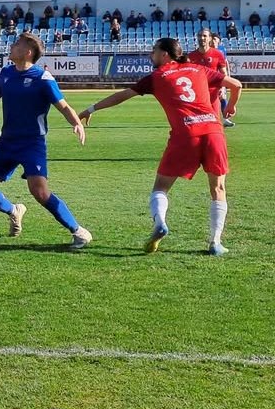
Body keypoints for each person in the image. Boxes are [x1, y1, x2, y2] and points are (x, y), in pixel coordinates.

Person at [77, 37, 242, 256]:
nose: (150, 55)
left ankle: (160, 222)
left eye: (154, 51)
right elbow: (236, 84)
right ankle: (215, 243)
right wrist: (230, 106)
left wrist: (91, 109)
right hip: (213, 132)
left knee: (161, 188)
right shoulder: (199, 69)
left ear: (165, 54)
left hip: (185, 135)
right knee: (218, 189)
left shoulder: (155, 77)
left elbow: (122, 95)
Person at [0, 32, 93, 249]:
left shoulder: (43, 78)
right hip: (7, 142)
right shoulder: (6, 73)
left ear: (27, 52)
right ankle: (13, 210)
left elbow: (63, 106)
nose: (11, 46)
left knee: (39, 192)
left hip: (32, 143)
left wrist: (75, 122)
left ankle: (78, 230)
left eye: (16, 44)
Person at [189, 29, 235, 128]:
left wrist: (223, 88)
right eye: (200, 35)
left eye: (205, 36)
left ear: (210, 38)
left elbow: (223, 73)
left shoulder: (218, 54)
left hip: (213, 94)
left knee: (214, 122)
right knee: (198, 124)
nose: (202, 38)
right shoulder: (190, 57)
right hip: (197, 95)